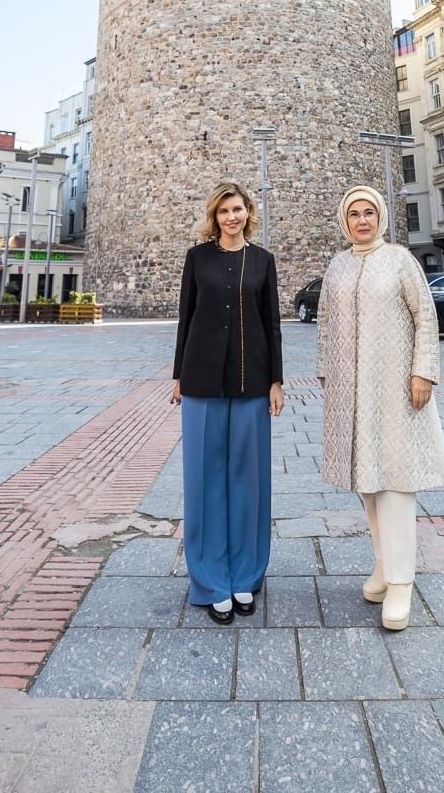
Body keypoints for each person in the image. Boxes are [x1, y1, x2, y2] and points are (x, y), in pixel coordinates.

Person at [317, 186, 444, 631]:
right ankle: (382, 564)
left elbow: (425, 316)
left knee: (396, 482)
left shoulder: (400, 261)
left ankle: (401, 582)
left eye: (369, 212)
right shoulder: (338, 265)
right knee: (368, 483)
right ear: (344, 221)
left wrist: (423, 372)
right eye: (354, 214)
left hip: (396, 388)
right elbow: (325, 324)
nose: (362, 220)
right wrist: (327, 375)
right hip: (351, 393)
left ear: (381, 217)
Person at [171, 181, 284, 625]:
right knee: (204, 481)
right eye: (223, 211)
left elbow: (272, 323)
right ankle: (210, 580)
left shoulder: (263, 261)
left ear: (248, 212)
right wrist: (178, 375)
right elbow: (186, 317)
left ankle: (246, 576)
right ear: (214, 217)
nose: (231, 217)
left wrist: (276, 380)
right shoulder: (197, 257)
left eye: (237, 209)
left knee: (248, 481)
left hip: (252, 380)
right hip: (201, 380)